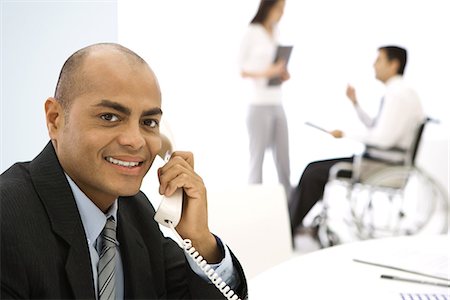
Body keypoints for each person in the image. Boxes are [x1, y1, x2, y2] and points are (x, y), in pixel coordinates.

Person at [0, 43, 248, 299]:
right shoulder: (7, 222)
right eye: (109, 117)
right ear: (55, 119)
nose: (136, 140)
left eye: (148, 122)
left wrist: (200, 241)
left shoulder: (136, 211)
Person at [288, 45, 425, 235]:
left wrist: (345, 134)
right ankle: (291, 222)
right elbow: (378, 128)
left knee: (313, 172)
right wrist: (356, 104)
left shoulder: (397, 95)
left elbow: (383, 139)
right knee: (314, 170)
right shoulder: (402, 92)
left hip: (380, 164)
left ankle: (288, 226)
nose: (374, 65)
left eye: (379, 60)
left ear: (394, 64)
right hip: (383, 159)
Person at [238, 0, 292, 198]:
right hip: (258, 105)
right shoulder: (252, 32)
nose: (281, 14)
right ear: (268, 7)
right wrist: (267, 72)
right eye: (279, 9)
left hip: (277, 102)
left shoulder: (275, 32)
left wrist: (281, 73)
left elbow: (276, 64)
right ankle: (255, 203)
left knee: (283, 160)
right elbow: (242, 70)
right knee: (257, 159)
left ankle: (290, 209)